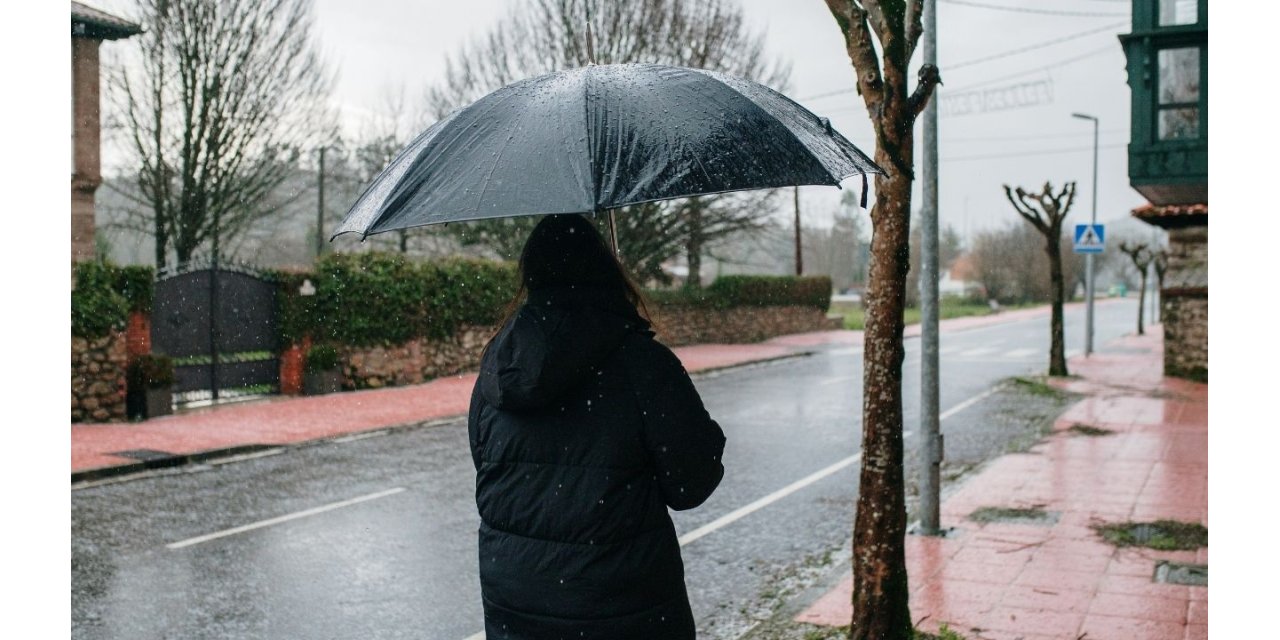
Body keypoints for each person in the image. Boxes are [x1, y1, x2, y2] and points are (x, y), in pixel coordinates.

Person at [468, 214, 726, 640]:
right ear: (606, 270)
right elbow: (691, 485)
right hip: (624, 611)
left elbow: (488, 467)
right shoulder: (644, 365)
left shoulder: (498, 368)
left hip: (517, 606)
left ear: (531, 276)